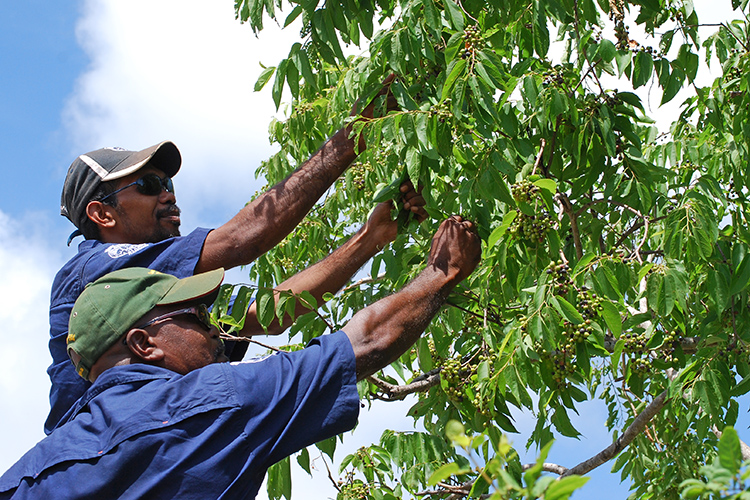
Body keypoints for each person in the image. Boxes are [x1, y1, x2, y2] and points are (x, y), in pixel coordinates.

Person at [46, 74, 426, 434]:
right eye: (148, 185)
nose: (168, 194)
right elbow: (243, 239)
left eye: (168, 182)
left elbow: (269, 314)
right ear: (101, 214)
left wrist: (371, 236)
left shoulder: (165, 304)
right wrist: (356, 132)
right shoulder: (91, 271)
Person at [0, 216, 481, 500]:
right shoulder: (205, 404)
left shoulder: (28, 471)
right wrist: (441, 274)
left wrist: (369, 238)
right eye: (194, 315)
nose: (214, 330)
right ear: (144, 344)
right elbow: (365, 342)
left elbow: (266, 314)